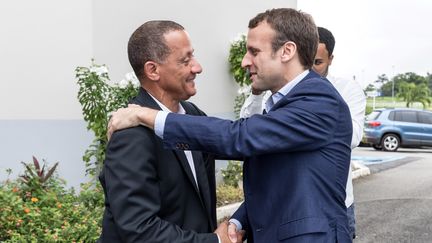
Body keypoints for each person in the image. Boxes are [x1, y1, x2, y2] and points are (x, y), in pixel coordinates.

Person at [108, 8, 353, 243]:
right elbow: (275, 186)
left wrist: (147, 116)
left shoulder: (320, 102)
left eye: (254, 51)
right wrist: (236, 223)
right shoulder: (135, 134)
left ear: (287, 51)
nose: (246, 61)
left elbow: (237, 137)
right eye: (186, 59)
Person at [98, 20, 233, 243]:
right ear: (152, 70)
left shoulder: (192, 115)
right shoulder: (130, 136)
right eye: (185, 60)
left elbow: (235, 139)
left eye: (193, 56)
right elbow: (140, 229)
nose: (197, 67)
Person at [240, 26, 366, 239]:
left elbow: (352, 137)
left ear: (331, 59)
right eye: (306, 61)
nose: (309, 68)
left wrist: (312, 114)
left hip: (333, 202)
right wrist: (257, 92)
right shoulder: (277, 90)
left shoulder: (344, 91)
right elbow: (248, 129)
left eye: (317, 62)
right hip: (284, 204)